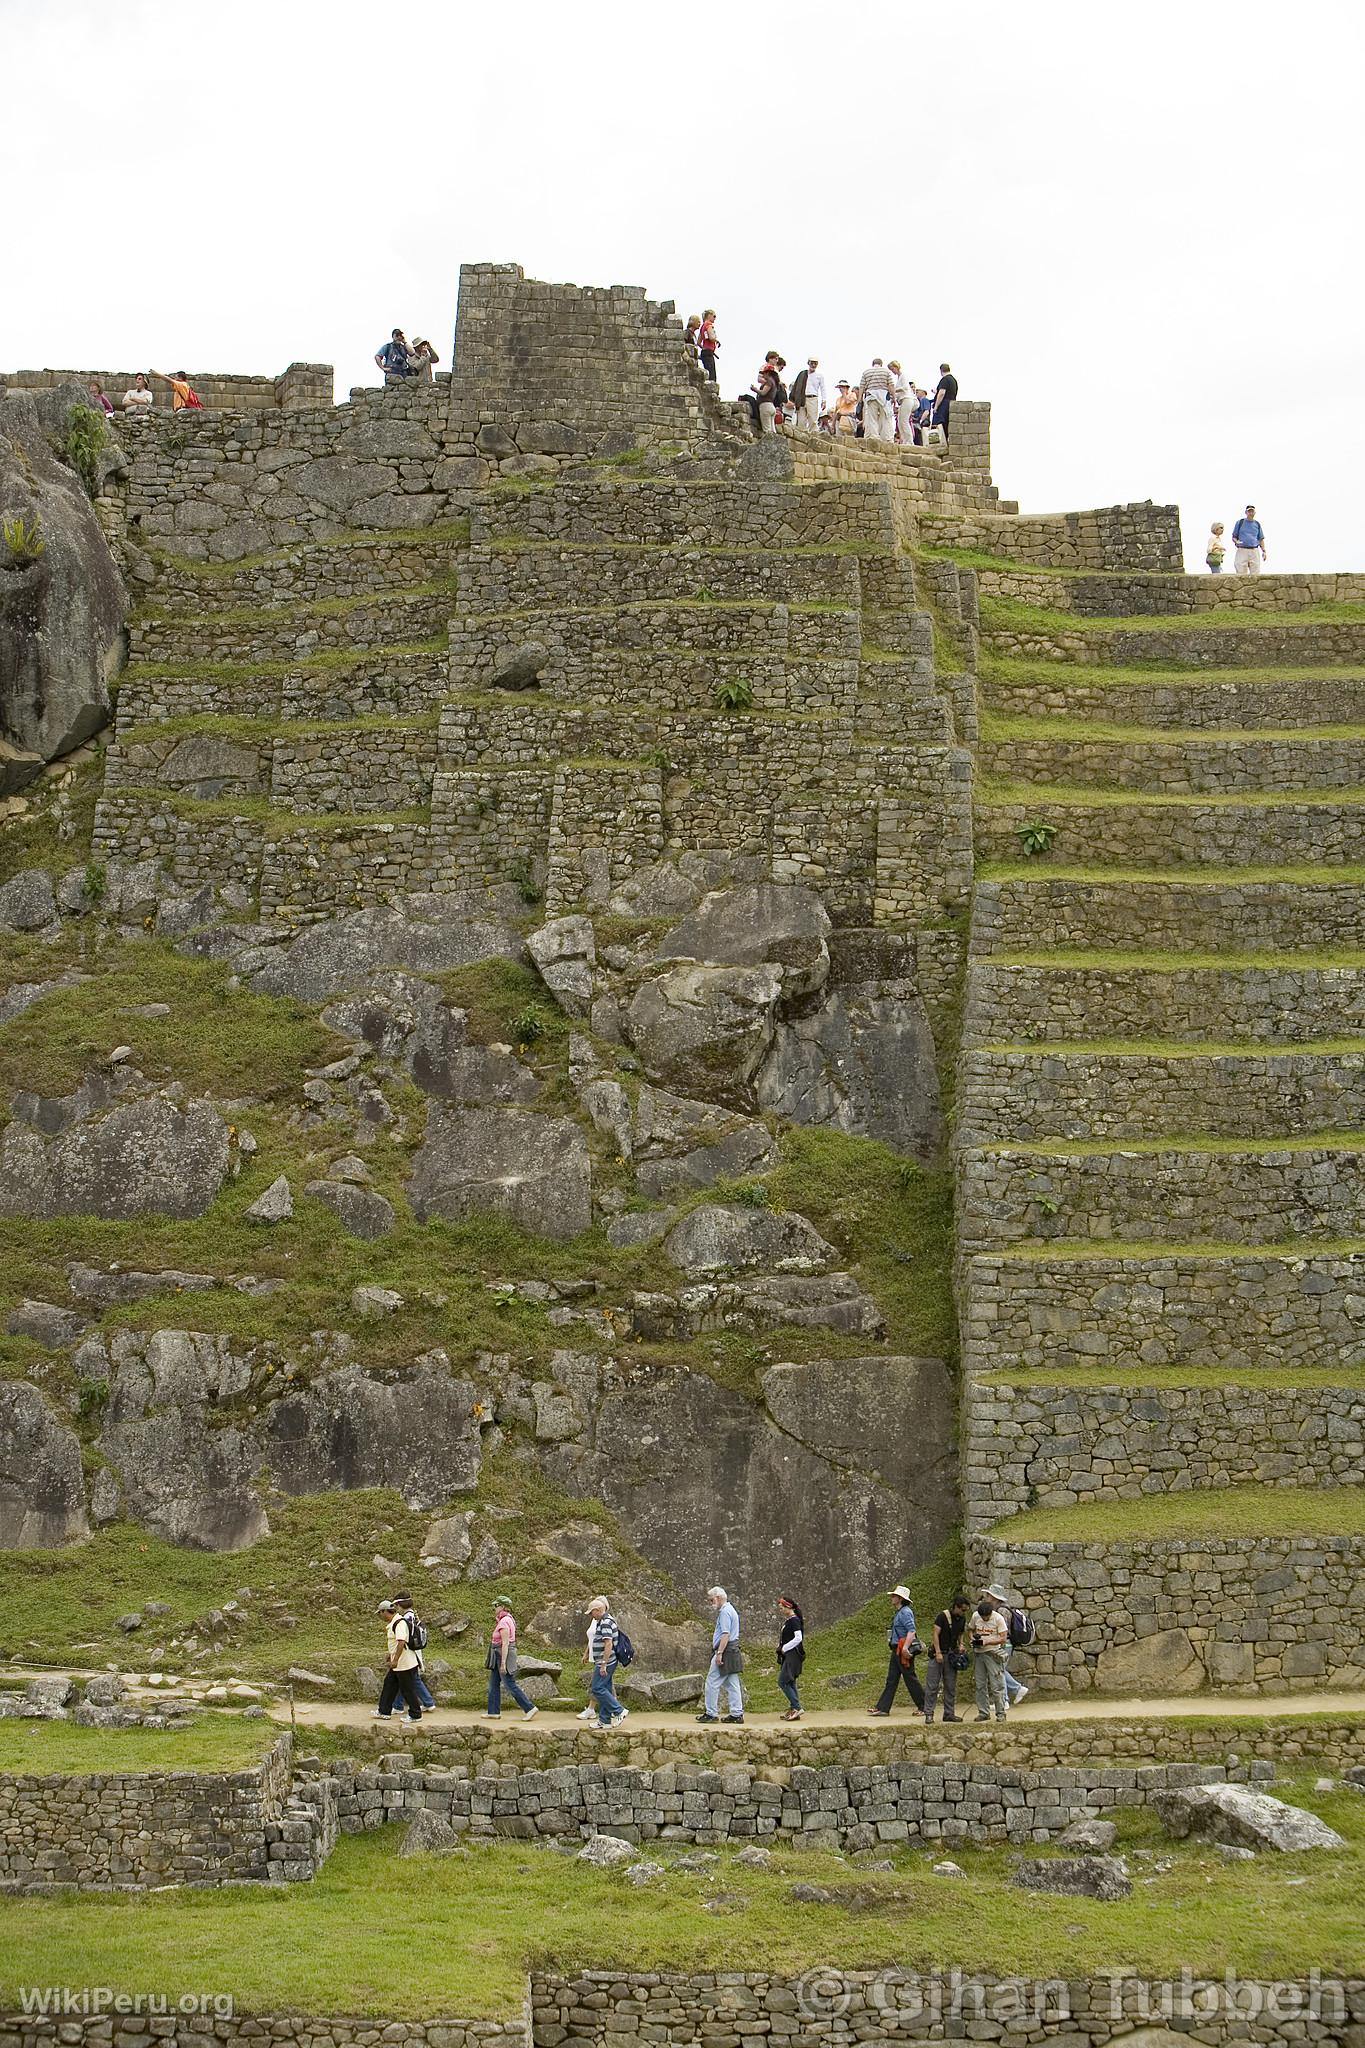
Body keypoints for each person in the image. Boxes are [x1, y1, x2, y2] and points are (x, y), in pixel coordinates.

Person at [867, 1584, 925, 1715]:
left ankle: (924, 1706)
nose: (892, 1598)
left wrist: (905, 1648)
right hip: (896, 1650)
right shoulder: (900, 1612)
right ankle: (883, 1708)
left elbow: (911, 1631)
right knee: (892, 1679)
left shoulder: (905, 1612)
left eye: (894, 1596)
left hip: (902, 1650)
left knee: (910, 1678)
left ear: (900, 1598)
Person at [485, 1599, 540, 1720]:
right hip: (497, 1654)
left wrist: (503, 1663)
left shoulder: (504, 1621)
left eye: (496, 1605)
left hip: (502, 1655)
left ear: (503, 1606)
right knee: (493, 1683)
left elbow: (505, 1643)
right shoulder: (506, 1619)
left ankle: (530, 1708)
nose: (494, 1608)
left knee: (509, 1683)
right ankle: (493, 1712)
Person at [698, 1585, 744, 1723]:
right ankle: (737, 1713)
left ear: (718, 1598)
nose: (711, 1603)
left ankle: (711, 1713)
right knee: (732, 1683)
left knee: (712, 1682)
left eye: (711, 1600)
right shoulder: (731, 1610)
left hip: (725, 1651)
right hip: (732, 1650)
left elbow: (725, 1634)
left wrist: (719, 1653)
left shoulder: (725, 1612)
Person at [372, 1597, 423, 1721]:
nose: (380, 1616)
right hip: (399, 1663)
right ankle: (384, 1711)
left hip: (404, 1663)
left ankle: (415, 1714)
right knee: (389, 1685)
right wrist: (391, 1654)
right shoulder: (395, 1622)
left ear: (385, 1611)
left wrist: (395, 1660)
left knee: (407, 1689)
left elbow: (401, 1642)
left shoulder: (399, 1623)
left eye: (380, 1613)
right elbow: (396, 1643)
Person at [924, 1593, 969, 1723]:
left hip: (951, 1655)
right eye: (962, 1609)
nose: (964, 1612)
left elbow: (960, 1634)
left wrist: (961, 1644)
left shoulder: (962, 1619)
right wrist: (938, 1652)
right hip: (939, 1653)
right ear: (956, 1607)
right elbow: (935, 1634)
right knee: (932, 1685)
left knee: (950, 1685)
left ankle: (949, 1713)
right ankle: (929, 1713)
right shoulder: (942, 1616)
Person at [985, 1581, 1031, 1707]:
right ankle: (1017, 1689)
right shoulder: (1002, 1609)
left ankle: (1004, 1700)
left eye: (988, 1595)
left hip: (1004, 1644)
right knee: (1000, 1670)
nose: (986, 1598)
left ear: (994, 1597)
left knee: (998, 1671)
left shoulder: (1001, 1611)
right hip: (1005, 1644)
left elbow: (1002, 1630)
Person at [585, 1594, 625, 1729]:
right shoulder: (603, 1621)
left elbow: (608, 1644)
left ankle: (619, 1711)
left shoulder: (606, 1622)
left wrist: (603, 1664)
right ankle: (604, 1720)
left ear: (598, 1610)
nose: (591, 1616)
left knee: (597, 1688)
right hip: (605, 1661)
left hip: (606, 1662)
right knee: (605, 1688)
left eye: (592, 1612)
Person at [971, 1595, 1010, 1722]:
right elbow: (970, 1629)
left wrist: (987, 1641)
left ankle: (1001, 1713)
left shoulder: (998, 1618)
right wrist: (973, 1639)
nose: (984, 1619)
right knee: (980, 1685)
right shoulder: (975, 1616)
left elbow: (1003, 1638)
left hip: (993, 1653)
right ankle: (983, 1712)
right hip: (979, 1654)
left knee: (997, 1684)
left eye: (986, 1617)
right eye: (982, 1617)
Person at [395, 1594, 436, 1711]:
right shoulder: (412, 1615)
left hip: (409, 1651)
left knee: (409, 1678)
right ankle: (399, 1704)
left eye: (397, 1605)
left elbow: (405, 1636)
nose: (396, 1608)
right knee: (407, 1678)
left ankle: (427, 1702)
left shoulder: (406, 1618)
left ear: (400, 1604)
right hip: (414, 1650)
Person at [775, 1595, 805, 1720]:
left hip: (792, 1655)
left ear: (788, 1607)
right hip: (789, 1655)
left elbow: (798, 1638)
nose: (780, 1610)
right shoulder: (789, 1620)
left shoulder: (794, 1620)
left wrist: (784, 1648)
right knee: (791, 1681)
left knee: (783, 1681)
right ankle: (794, 1708)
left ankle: (797, 1707)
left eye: (782, 1608)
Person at [859, 358, 895, 443]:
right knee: (885, 417)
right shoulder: (886, 371)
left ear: (873, 364)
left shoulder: (866, 372)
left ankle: (874, 436)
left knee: (872, 418)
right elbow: (891, 385)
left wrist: (859, 399)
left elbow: (862, 386)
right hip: (884, 396)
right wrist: (894, 397)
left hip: (871, 396)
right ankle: (886, 437)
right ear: (881, 364)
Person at [791, 358, 826, 433]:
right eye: (812, 363)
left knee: (813, 420)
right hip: (802, 399)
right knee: (801, 421)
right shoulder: (803, 374)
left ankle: (813, 435)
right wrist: (793, 400)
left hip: (813, 398)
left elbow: (823, 388)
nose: (813, 365)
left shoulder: (819, 376)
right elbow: (796, 387)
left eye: (815, 363)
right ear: (808, 363)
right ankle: (801, 436)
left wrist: (824, 400)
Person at [1232, 505, 1267, 575]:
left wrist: (1264, 551)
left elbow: (1261, 539)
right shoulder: (1240, 522)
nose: (1251, 513)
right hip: (1242, 549)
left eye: (1252, 511)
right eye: (1249, 511)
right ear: (1246, 512)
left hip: (1254, 550)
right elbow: (1234, 536)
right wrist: (1236, 541)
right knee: (1241, 571)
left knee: (1255, 572)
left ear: (1255, 513)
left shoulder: (1257, 524)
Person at [931, 363, 958, 443]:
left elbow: (942, 393)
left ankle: (938, 444)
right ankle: (945, 442)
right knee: (946, 426)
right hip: (951, 404)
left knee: (938, 425)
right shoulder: (953, 380)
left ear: (941, 370)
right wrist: (936, 392)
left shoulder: (945, 379)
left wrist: (936, 406)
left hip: (943, 406)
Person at [888, 360, 911, 442]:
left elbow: (905, 388)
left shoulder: (903, 375)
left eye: (892, 369)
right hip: (902, 400)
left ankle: (909, 441)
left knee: (904, 421)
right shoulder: (899, 377)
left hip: (907, 399)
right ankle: (904, 440)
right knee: (900, 422)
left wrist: (893, 390)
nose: (892, 371)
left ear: (896, 367)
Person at [698, 309, 720, 383]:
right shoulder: (709, 325)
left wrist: (704, 347)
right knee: (712, 376)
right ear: (709, 315)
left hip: (704, 352)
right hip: (709, 352)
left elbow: (698, 342)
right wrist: (716, 341)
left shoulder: (703, 326)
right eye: (714, 316)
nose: (715, 318)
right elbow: (711, 337)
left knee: (708, 373)